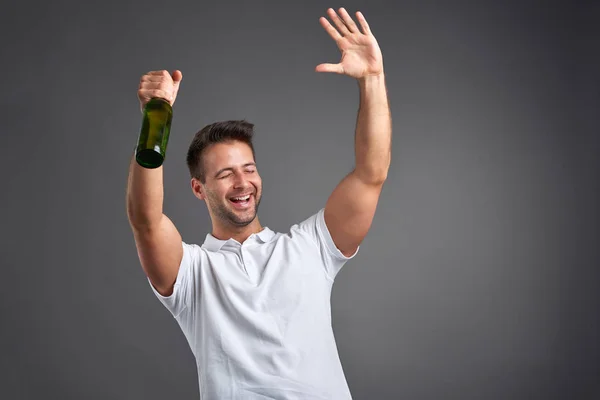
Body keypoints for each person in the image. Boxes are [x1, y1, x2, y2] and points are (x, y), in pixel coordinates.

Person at [126, 7, 391, 400]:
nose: (242, 182)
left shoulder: (310, 248)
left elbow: (371, 174)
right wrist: (156, 117)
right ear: (199, 189)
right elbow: (146, 220)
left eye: (248, 168)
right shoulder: (193, 275)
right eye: (225, 174)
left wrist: (372, 79)